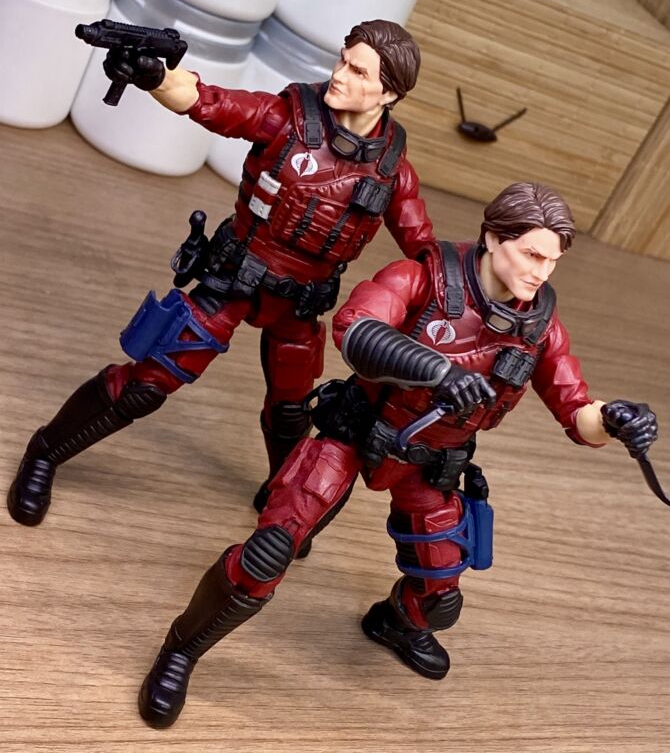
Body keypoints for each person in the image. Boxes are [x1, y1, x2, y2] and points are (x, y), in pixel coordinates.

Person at [136, 182, 657, 729]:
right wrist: (437, 370)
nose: (541, 272)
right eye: (531, 254)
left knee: (439, 602)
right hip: (359, 429)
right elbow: (355, 328)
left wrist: (613, 419)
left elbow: (574, 408)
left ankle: (394, 623)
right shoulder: (422, 277)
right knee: (269, 552)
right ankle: (181, 649)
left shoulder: (541, 326)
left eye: (552, 261)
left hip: (431, 460)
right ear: (492, 237)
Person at [8, 19, 435, 527]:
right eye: (343, 60)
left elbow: (424, 250)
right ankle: (45, 451)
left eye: (358, 71)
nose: (340, 74)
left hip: (300, 305)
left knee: (293, 412)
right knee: (149, 382)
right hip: (234, 279)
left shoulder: (392, 169)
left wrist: (469, 294)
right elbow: (210, 102)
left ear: (389, 93)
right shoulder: (288, 118)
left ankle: (282, 502)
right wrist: (155, 76)